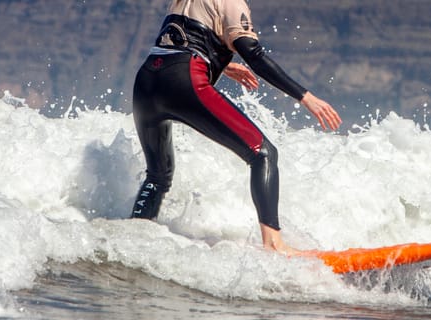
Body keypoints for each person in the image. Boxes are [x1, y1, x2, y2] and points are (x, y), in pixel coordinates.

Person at [130, 0, 341, 255]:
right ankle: (274, 245)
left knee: (158, 176)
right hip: (184, 80)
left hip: (146, 83)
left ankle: (132, 237)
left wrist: (222, 63)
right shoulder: (231, 1)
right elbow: (254, 54)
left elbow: (179, 39)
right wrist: (305, 97)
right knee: (263, 154)